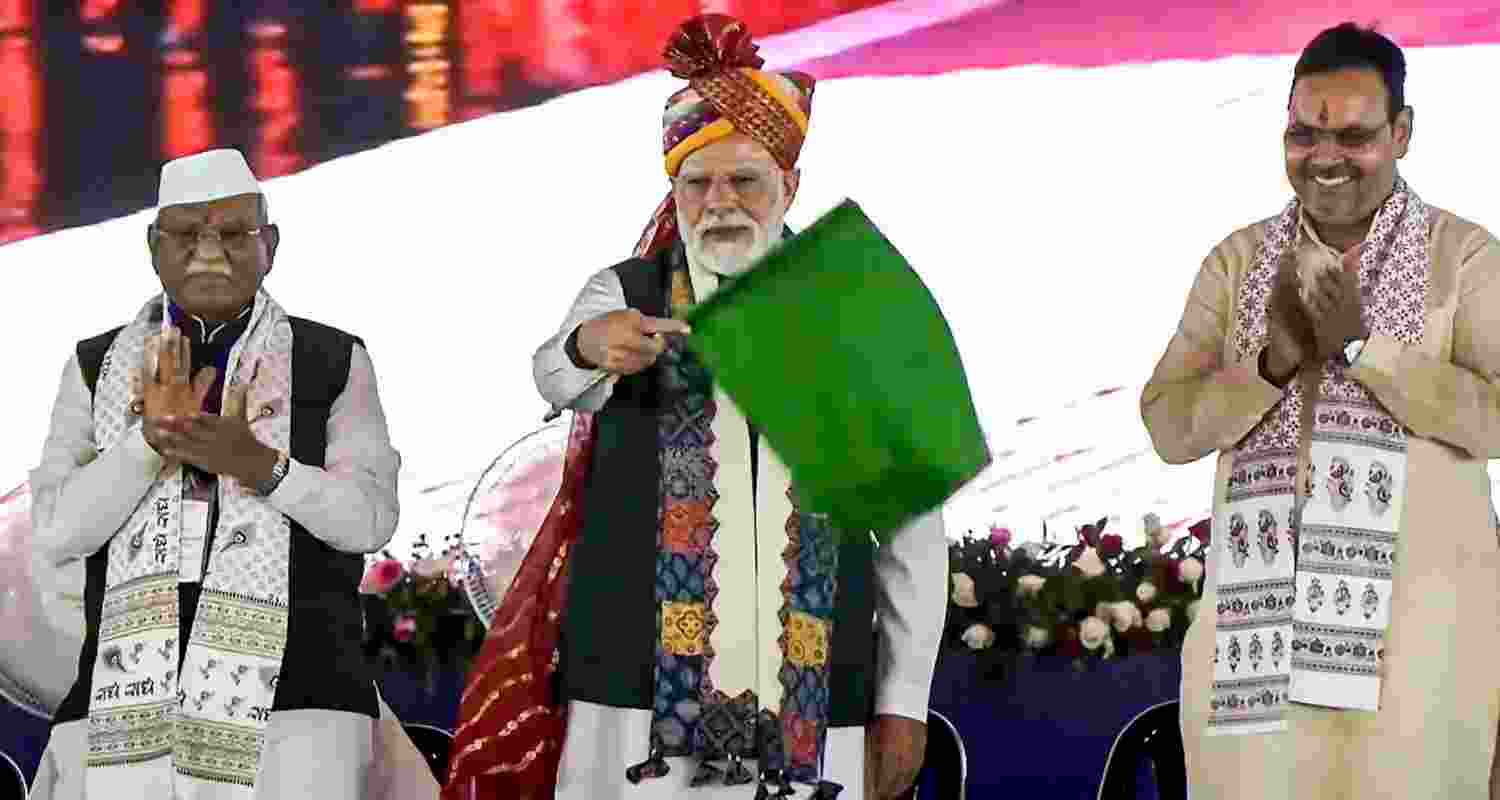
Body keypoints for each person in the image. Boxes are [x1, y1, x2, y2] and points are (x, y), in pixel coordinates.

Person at [445, 14, 946, 800]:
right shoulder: (626, 292)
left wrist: (904, 703)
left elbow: (913, 526)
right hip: (630, 709)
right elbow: (554, 374)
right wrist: (588, 346)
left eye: (744, 181)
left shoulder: (862, 311)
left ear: (790, 186)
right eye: (697, 183)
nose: (719, 203)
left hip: (816, 704)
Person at [1141, 23, 1500, 799]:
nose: (1324, 156)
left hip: (1419, 659)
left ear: (1402, 133)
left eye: (1353, 135)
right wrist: (1270, 365)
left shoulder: (1464, 257)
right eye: (1303, 133)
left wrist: (1365, 348)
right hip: (1258, 661)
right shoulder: (1239, 262)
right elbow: (1168, 424)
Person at [27, 148, 404, 800]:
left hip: (300, 705)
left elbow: (369, 520)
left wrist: (258, 465)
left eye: (232, 233)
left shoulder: (333, 358)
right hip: (122, 704)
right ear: (154, 247)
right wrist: (148, 442)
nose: (209, 252)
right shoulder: (94, 366)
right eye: (186, 235)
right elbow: (57, 532)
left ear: (270, 246)